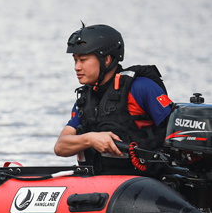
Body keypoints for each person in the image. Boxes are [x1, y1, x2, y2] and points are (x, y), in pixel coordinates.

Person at [53, 23, 173, 174]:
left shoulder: (141, 88)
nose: (77, 67)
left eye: (83, 60)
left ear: (107, 59)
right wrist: (91, 139)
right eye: (75, 60)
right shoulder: (84, 101)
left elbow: (175, 134)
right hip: (98, 187)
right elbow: (60, 147)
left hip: (142, 184)